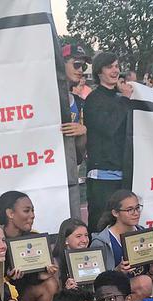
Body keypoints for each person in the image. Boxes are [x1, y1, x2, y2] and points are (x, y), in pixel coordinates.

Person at [0, 191, 60, 301]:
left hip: (19, 297)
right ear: (10, 214)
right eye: (26, 211)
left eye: (33, 210)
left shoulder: (34, 237)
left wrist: (42, 275)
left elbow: (32, 278)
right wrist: (8, 278)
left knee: (50, 284)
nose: (32, 215)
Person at [83, 52, 131, 233]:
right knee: (101, 224)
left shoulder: (121, 96)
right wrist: (126, 99)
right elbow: (109, 127)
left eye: (117, 66)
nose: (115, 70)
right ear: (99, 71)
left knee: (123, 225)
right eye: (110, 66)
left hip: (123, 173)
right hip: (102, 174)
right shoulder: (94, 99)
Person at [91, 190, 153, 301]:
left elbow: (147, 277)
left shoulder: (144, 233)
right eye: (129, 210)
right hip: (116, 293)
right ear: (115, 213)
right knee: (144, 282)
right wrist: (117, 271)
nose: (136, 213)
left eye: (137, 208)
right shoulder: (102, 242)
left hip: (143, 289)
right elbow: (96, 284)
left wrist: (152, 270)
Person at [60, 41, 89, 215]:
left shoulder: (78, 102)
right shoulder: (45, 94)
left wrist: (83, 132)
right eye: (76, 64)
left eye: (83, 66)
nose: (80, 70)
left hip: (69, 172)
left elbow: (79, 153)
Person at [53, 217, 92, 289]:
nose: (84, 240)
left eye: (86, 235)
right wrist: (66, 290)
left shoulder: (93, 257)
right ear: (66, 240)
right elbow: (53, 296)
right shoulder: (56, 263)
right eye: (78, 236)